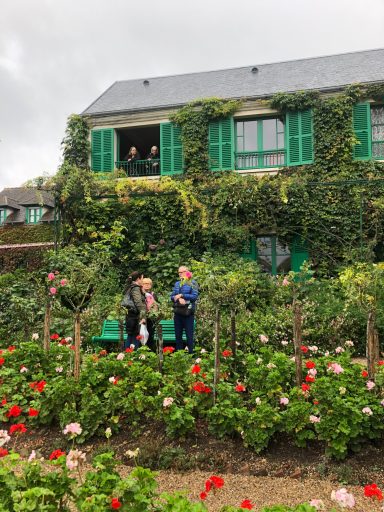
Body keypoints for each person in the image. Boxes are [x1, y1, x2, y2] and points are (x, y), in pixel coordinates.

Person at [170, 266, 198, 354]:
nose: (181, 274)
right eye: (179, 272)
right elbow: (172, 297)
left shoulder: (193, 283)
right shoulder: (177, 284)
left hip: (188, 313)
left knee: (189, 336)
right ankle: (179, 356)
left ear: (187, 272)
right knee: (178, 336)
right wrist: (177, 299)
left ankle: (191, 356)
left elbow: (194, 296)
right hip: (178, 312)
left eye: (183, 272)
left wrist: (182, 295)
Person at [123, 271, 146, 350]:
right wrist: (143, 315)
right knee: (135, 336)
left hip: (130, 315)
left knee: (130, 336)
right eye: (142, 278)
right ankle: (132, 357)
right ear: (138, 279)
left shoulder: (130, 287)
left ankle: (126, 356)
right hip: (134, 316)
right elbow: (138, 303)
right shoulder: (135, 288)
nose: (143, 281)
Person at [142, 277, 158, 352]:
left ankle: (150, 353)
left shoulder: (153, 294)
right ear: (142, 285)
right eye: (145, 283)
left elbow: (157, 305)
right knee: (142, 336)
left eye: (149, 284)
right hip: (142, 318)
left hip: (151, 318)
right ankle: (142, 352)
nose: (147, 285)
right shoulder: (140, 294)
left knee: (150, 336)